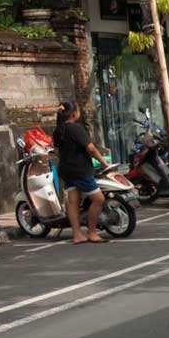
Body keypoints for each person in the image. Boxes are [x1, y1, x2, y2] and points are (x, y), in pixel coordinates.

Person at [53, 102, 109, 245]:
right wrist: (103, 162)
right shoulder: (76, 129)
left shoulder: (58, 130)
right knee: (99, 199)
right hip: (80, 170)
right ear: (74, 114)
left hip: (66, 170)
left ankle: (77, 234)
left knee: (73, 202)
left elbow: (57, 152)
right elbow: (90, 148)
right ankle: (91, 232)